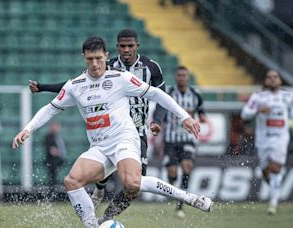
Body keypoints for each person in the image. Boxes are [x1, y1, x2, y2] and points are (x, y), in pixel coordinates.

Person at [13, 36, 212, 227]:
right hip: (99, 147)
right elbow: (50, 108)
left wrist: (184, 116)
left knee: (132, 182)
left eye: (99, 58)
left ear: (106, 56)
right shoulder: (75, 86)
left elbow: (155, 93)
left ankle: (189, 198)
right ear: (84, 58)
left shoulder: (121, 78)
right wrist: (28, 129)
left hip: (124, 140)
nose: (95, 63)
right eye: (90, 59)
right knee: (72, 181)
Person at [29, 29, 166, 209]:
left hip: (137, 131)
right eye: (122, 46)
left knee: (134, 184)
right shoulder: (105, 65)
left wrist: (157, 120)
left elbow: (162, 96)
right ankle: (101, 195)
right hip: (110, 130)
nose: (126, 50)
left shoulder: (151, 68)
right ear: (117, 47)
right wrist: (43, 87)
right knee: (106, 165)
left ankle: (106, 214)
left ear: (137, 46)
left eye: (130, 46)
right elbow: (76, 85)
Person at [241, 70, 293, 215]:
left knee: (276, 168)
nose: (272, 79)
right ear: (265, 81)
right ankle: (273, 185)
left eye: (275, 77)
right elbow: (245, 113)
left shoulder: (287, 95)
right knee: (265, 170)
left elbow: (290, 111)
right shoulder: (258, 97)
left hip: (281, 137)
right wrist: (258, 110)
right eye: (269, 77)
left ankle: (273, 204)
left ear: (280, 80)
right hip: (263, 139)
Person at [152, 65, 207, 218]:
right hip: (170, 140)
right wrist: (159, 124)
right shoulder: (168, 93)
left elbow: (202, 113)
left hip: (187, 140)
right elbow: (160, 110)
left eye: (184, 75)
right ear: (176, 77)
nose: (181, 78)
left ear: (188, 77)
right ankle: (173, 185)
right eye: (179, 75)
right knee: (172, 173)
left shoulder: (196, 94)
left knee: (187, 166)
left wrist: (202, 118)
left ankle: (180, 204)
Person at [43, 122, 66, 188]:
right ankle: (52, 190)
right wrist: (55, 151)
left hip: (57, 160)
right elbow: (50, 149)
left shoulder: (57, 136)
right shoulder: (48, 136)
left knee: (54, 177)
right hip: (52, 161)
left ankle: (54, 189)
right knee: (52, 177)